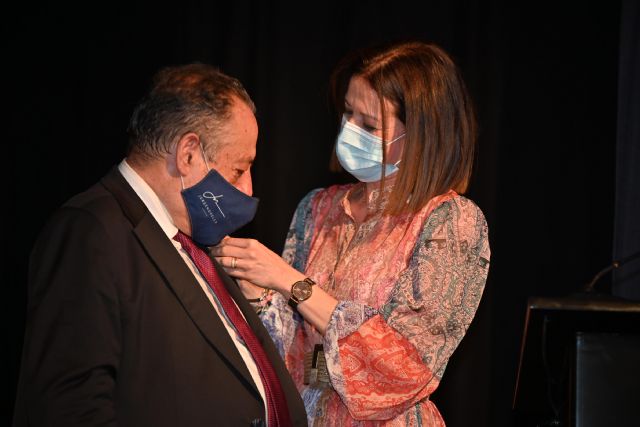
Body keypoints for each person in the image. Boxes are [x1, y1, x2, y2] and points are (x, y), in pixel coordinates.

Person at [211, 41, 491, 426]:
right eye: (348, 113)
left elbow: (404, 367)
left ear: (421, 134)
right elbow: (297, 354)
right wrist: (256, 291)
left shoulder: (450, 222)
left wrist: (290, 281)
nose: (350, 130)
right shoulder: (318, 208)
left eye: (369, 125)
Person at [13, 64, 307, 426]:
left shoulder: (188, 238)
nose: (247, 188)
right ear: (188, 154)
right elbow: (67, 407)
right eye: (238, 169)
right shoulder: (90, 231)